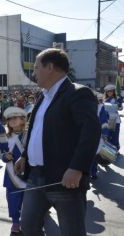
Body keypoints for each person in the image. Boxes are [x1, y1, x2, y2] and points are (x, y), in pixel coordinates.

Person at [15, 48, 101, 236]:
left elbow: (91, 132)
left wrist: (77, 168)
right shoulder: (42, 96)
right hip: (36, 177)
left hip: (65, 180)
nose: (33, 73)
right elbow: (37, 130)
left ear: (50, 67)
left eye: (36, 67)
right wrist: (24, 155)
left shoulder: (78, 93)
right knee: (28, 228)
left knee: (72, 232)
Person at [0, 107, 27, 234]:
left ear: (23, 120)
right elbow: (2, 154)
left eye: (17, 118)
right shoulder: (6, 136)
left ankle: (31, 221)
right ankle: (15, 222)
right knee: (13, 200)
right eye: (11, 119)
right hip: (11, 175)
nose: (14, 121)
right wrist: (5, 157)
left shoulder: (29, 135)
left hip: (28, 174)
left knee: (30, 201)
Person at [91, 93, 109, 179]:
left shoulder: (101, 107)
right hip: (84, 136)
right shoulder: (83, 106)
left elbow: (104, 122)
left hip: (96, 135)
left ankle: (93, 172)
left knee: (94, 154)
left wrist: (105, 134)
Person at [104, 84, 122, 150]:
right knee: (108, 136)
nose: (109, 92)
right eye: (108, 91)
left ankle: (115, 149)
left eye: (111, 91)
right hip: (107, 121)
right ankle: (111, 151)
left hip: (115, 120)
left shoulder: (117, 99)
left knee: (115, 136)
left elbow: (120, 108)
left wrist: (118, 104)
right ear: (106, 92)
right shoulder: (105, 100)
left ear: (113, 92)